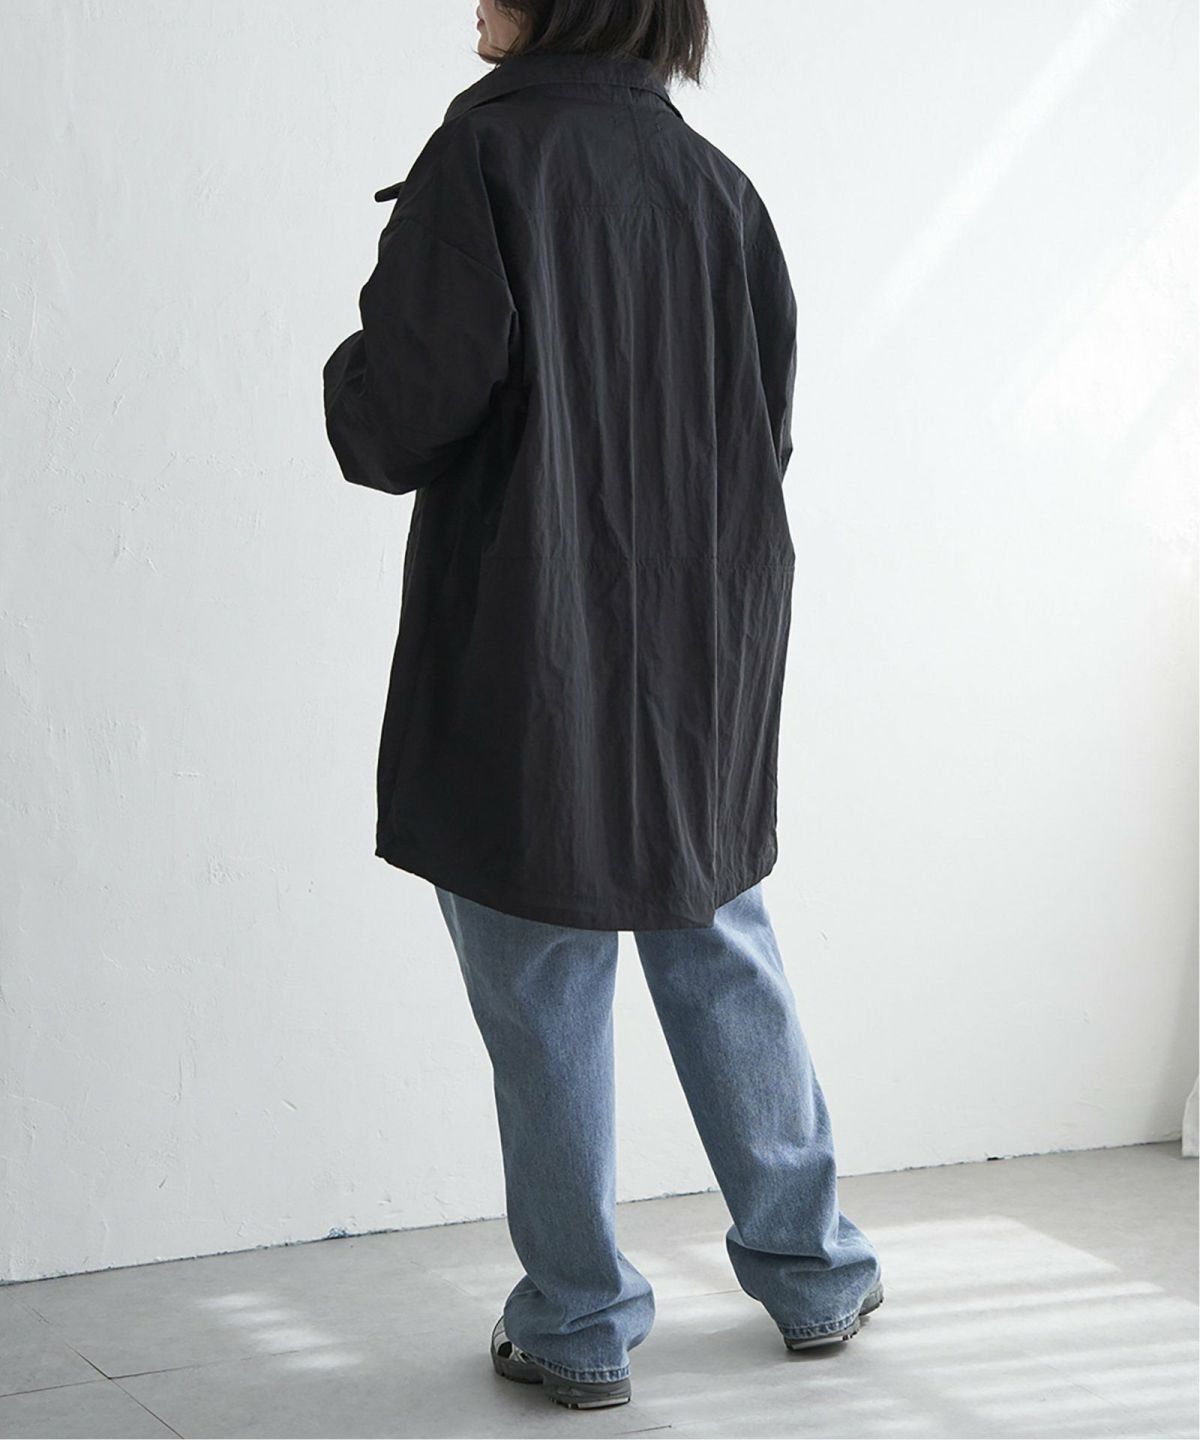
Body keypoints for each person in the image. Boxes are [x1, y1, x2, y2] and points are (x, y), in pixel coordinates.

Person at [323, 0, 883, 1411]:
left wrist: (350, 375)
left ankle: (577, 1323)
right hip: (703, 631)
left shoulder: (484, 160)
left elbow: (399, 417)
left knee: (540, 962)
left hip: (532, 632)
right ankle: (815, 1270)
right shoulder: (716, 186)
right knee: (717, 929)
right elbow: (766, 427)